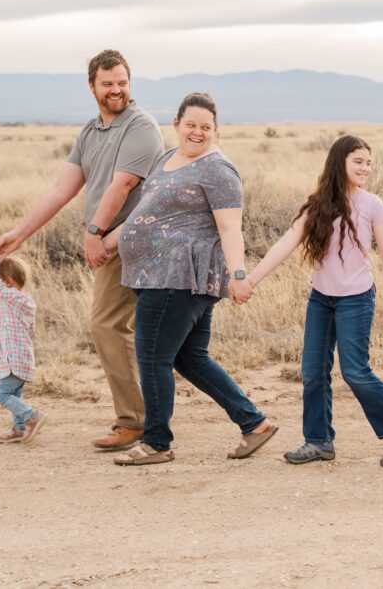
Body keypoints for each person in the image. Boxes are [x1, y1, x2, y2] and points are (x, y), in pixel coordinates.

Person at [0, 50, 163, 451]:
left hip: (135, 242)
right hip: (111, 241)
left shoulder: (141, 126)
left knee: (108, 325)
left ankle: (133, 421)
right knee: (151, 334)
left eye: (122, 82)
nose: (116, 89)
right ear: (92, 86)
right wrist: (19, 234)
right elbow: (61, 189)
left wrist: (92, 233)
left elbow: (123, 185)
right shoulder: (89, 133)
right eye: (107, 83)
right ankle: (243, 419)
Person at [108, 93, 275, 465]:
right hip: (158, 277)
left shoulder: (218, 169)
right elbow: (147, 211)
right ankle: (254, 424)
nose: (197, 132)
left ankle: (156, 442)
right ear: (177, 125)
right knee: (191, 358)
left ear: (216, 130)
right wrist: (110, 240)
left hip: (179, 279)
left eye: (205, 127)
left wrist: (239, 275)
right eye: (191, 125)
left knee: (153, 359)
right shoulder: (169, 158)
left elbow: (231, 229)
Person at [242, 135, 383, 467]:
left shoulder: (372, 205)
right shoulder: (317, 205)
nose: (365, 167)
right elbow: (286, 243)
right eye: (358, 160)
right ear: (339, 162)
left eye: (369, 162)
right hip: (321, 299)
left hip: (356, 299)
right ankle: (319, 441)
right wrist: (251, 280)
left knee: (355, 371)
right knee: (312, 372)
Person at [0, 250, 46, 444]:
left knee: (1, 394)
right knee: (13, 394)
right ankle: (19, 428)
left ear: (8, 282)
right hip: (16, 358)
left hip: (12, 358)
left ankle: (32, 416)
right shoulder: (18, 301)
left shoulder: (13, 298)